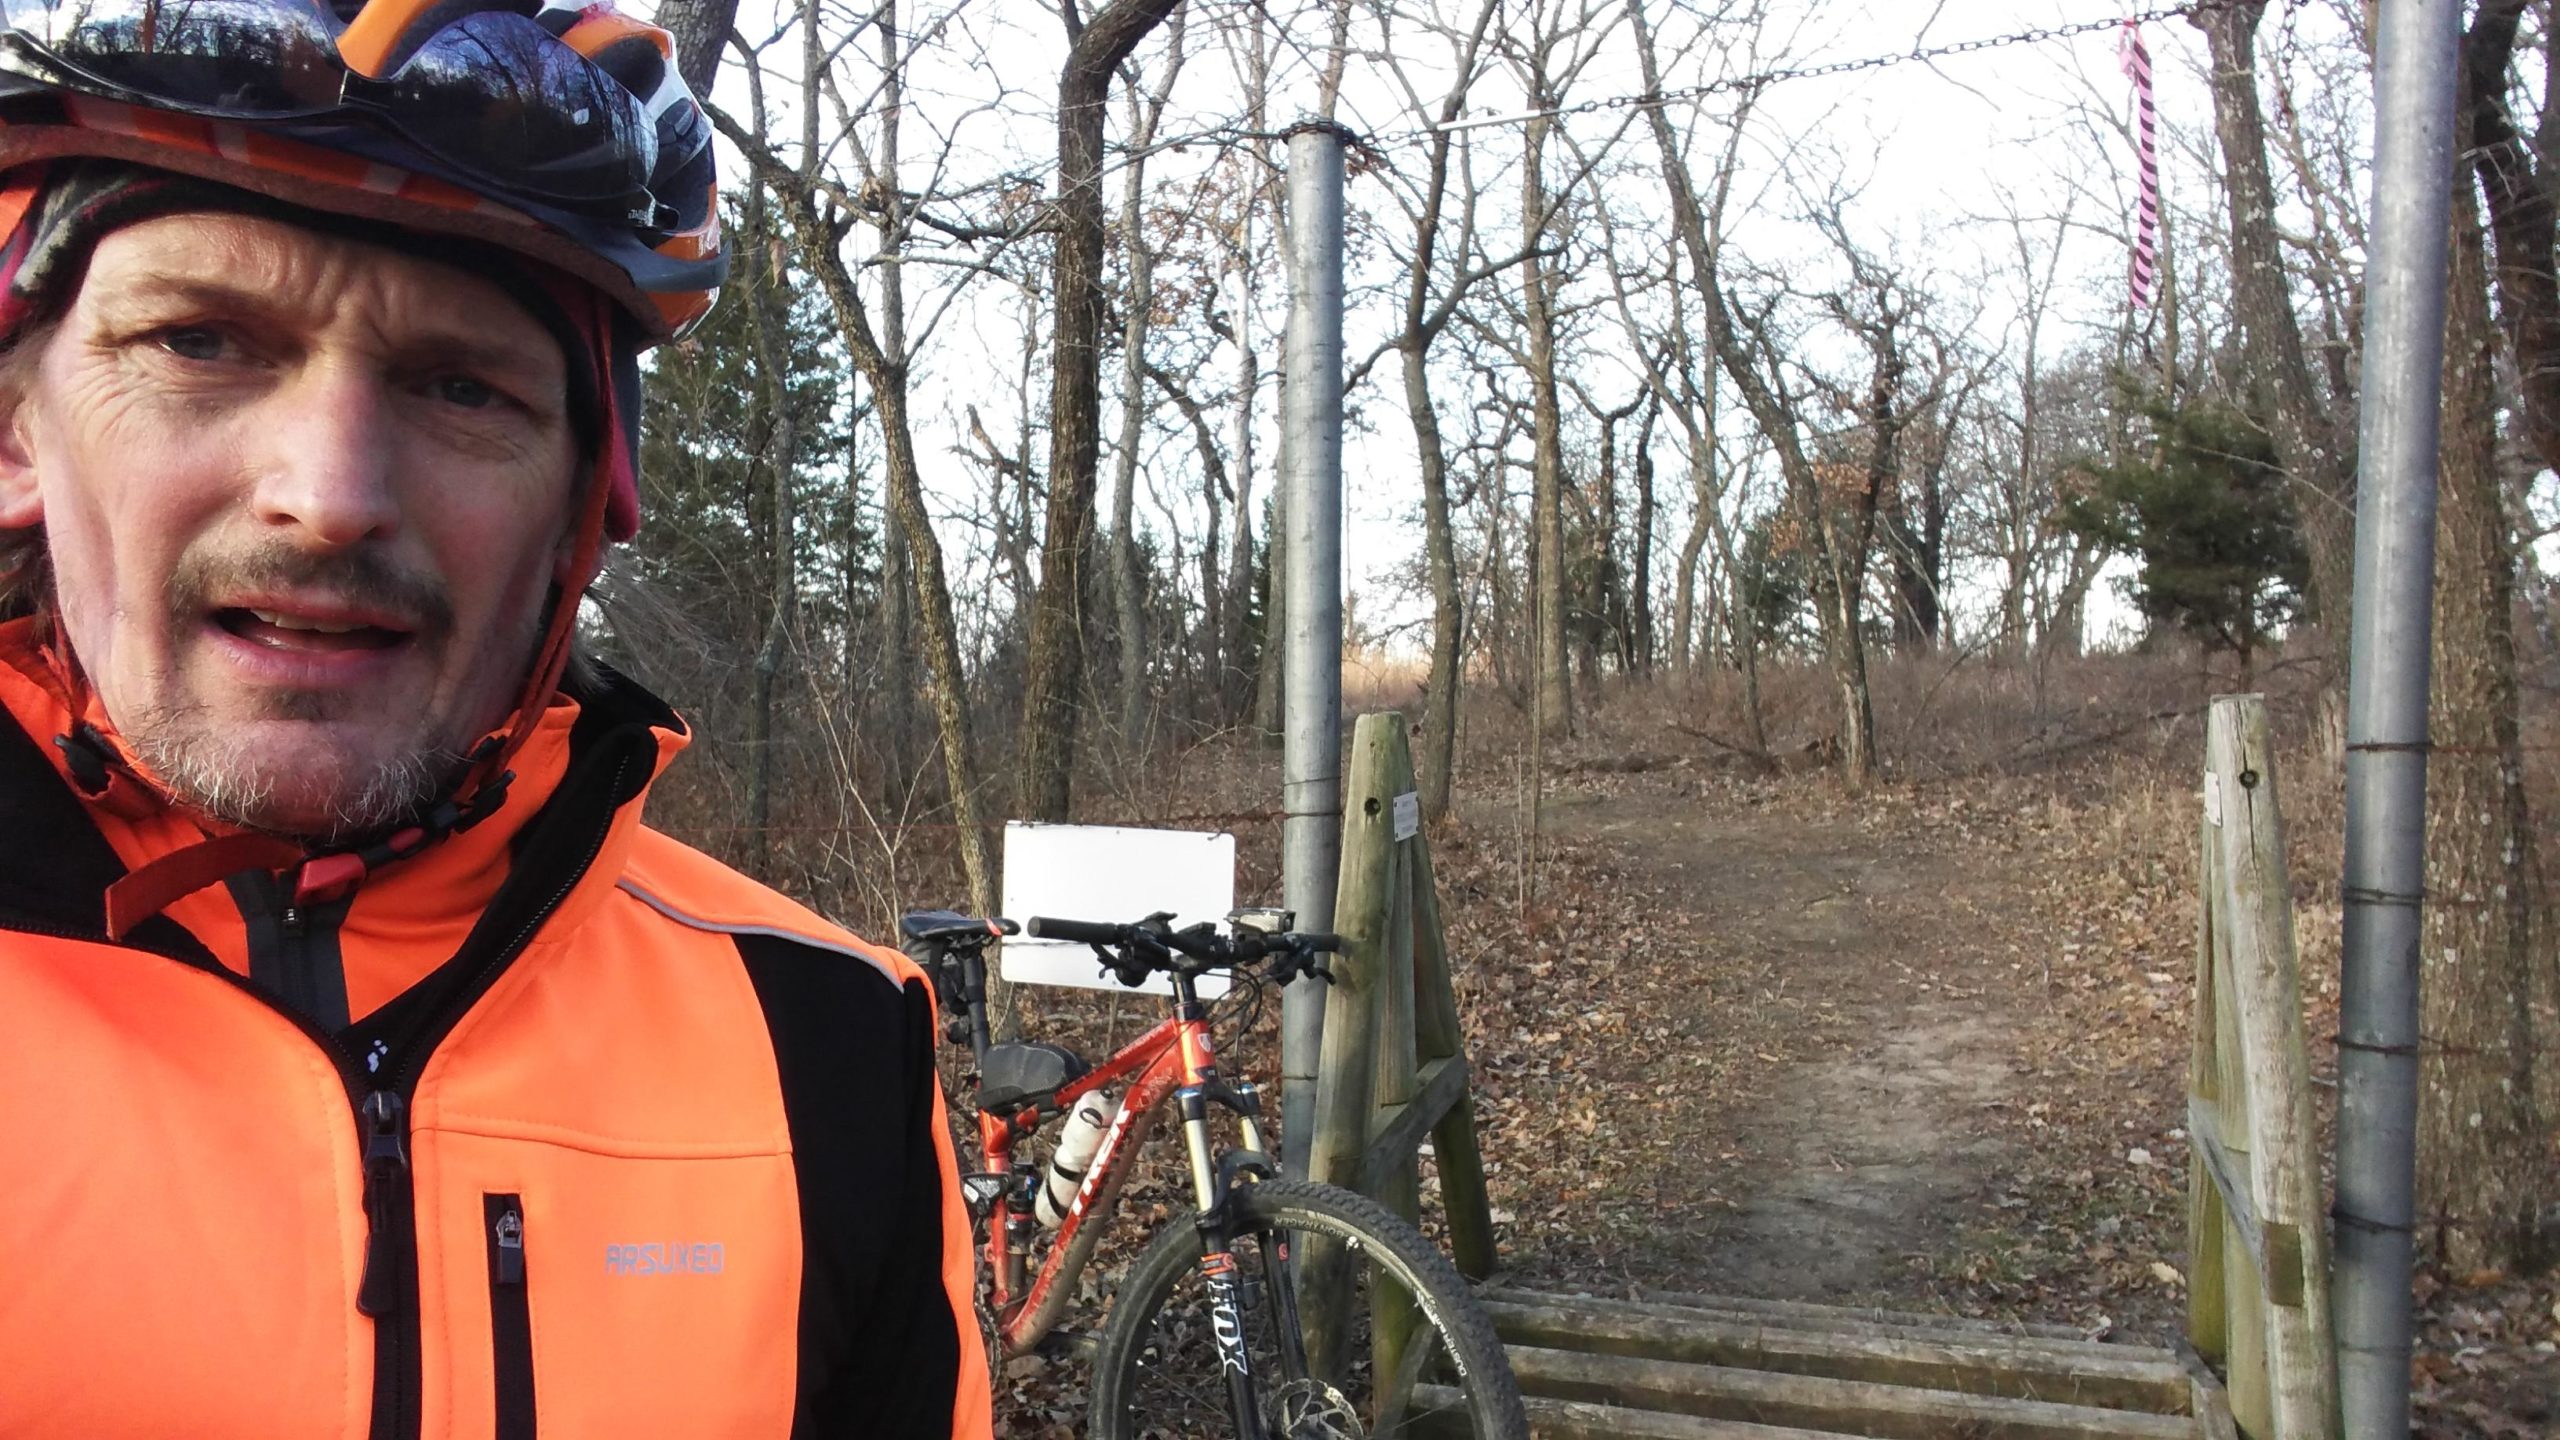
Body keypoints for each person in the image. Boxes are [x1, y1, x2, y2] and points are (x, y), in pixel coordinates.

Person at [0, 2, 991, 1435]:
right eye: (203, 340)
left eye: (462, 386)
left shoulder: (827, 1038)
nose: (331, 495)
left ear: (585, 513)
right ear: (19, 430)